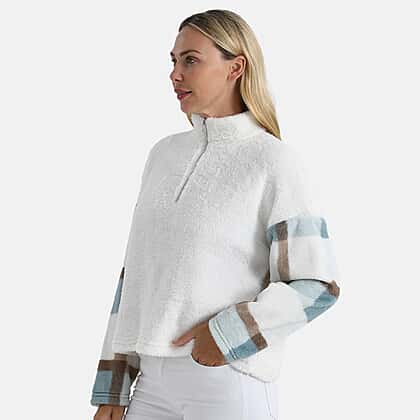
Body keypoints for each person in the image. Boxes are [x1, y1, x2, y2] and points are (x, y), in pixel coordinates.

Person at [91, 9, 341, 420]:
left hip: (227, 380)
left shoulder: (274, 162)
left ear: (235, 68)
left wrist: (228, 335)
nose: (175, 74)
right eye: (174, 61)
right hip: (150, 384)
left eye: (190, 60)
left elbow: (316, 284)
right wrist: (113, 389)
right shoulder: (163, 155)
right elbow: (133, 278)